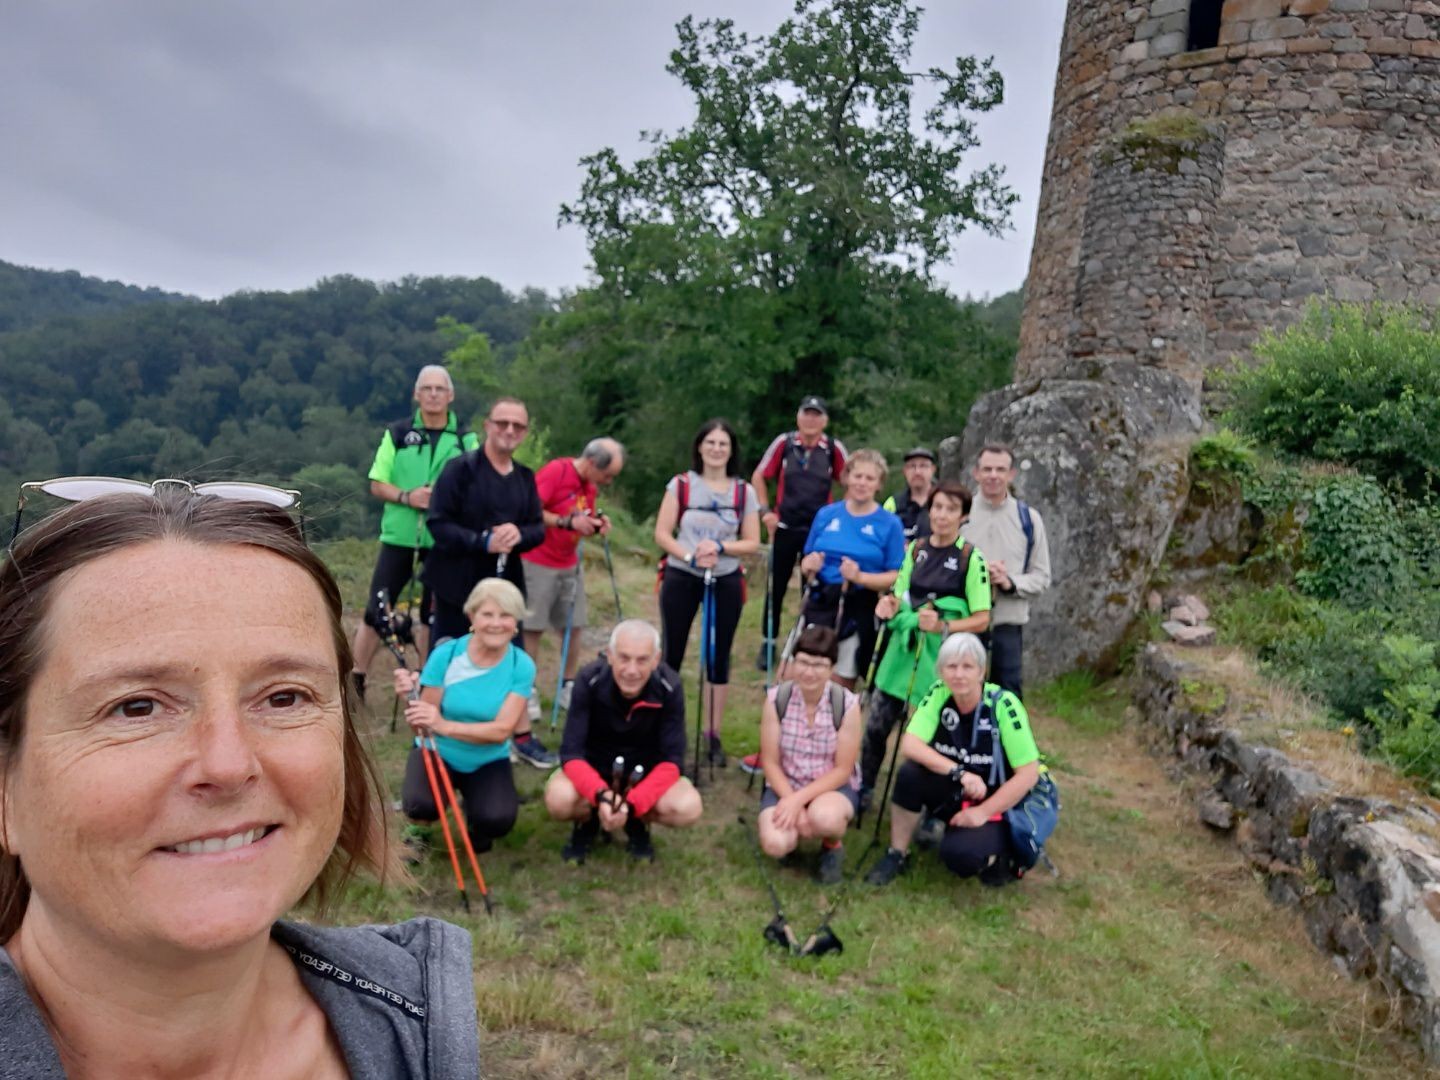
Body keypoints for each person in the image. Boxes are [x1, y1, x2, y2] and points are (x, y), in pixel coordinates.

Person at [0, 483, 477, 1077]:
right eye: (137, 707)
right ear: (6, 785)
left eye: (283, 697)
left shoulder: (418, 1032)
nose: (228, 765)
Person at [425, 395, 556, 767]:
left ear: (525, 432)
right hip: (457, 584)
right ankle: (438, 737)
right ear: (487, 425)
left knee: (509, 660)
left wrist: (518, 534)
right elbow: (438, 523)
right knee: (450, 657)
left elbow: (536, 530)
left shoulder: (525, 477)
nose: (509, 431)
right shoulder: (459, 470)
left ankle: (518, 734)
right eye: (503, 423)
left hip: (506, 588)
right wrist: (481, 540)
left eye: (518, 426)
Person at [865, 633, 1039, 888]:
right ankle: (897, 853)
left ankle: (999, 857)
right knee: (909, 774)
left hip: (995, 800)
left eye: (968, 667)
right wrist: (959, 772)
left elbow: (1028, 774)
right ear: (941, 671)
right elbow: (911, 744)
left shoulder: (1004, 705)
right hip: (957, 786)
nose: (959, 675)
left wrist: (982, 812)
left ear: (982, 671)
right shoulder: (939, 694)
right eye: (952, 666)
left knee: (959, 856)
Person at [860, 480, 991, 810]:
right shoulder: (916, 550)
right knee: (876, 726)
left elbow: (982, 618)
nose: (942, 515)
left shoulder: (970, 558)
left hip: (940, 660)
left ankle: (930, 804)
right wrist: (888, 606)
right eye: (937, 507)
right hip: (902, 652)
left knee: (931, 737)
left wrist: (943, 626)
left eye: (951, 509)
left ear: (963, 516)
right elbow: (898, 595)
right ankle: (864, 789)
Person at [350, 364, 479, 699]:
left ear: (450, 396)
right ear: (416, 394)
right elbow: (377, 482)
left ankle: (427, 681)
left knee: (430, 613)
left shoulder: (465, 438)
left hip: (444, 539)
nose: (434, 394)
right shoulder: (397, 433)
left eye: (440, 389)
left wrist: (444, 499)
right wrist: (408, 497)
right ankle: (355, 677)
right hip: (400, 536)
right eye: (427, 388)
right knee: (376, 607)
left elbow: (477, 485)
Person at [395, 577, 533, 861]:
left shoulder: (521, 665)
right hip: (438, 751)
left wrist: (443, 725)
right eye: (488, 614)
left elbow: (501, 731)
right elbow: (422, 728)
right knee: (420, 805)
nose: (496, 623)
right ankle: (418, 830)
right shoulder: (446, 656)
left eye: (505, 615)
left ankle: (475, 813)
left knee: (496, 820)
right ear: (472, 617)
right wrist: (411, 701)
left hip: (487, 757)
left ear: (516, 621)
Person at [544, 620, 703, 864]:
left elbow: (673, 761)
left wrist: (631, 805)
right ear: (610, 655)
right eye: (624, 658)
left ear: (656, 659)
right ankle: (589, 821)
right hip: (594, 769)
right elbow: (571, 754)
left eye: (642, 660)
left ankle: (635, 822)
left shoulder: (670, 686)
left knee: (688, 806)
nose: (631, 670)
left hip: (644, 776)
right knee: (558, 799)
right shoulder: (588, 679)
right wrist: (602, 796)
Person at [653, 418, 761, 767]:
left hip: (726, 576)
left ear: (731, 451)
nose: (716, 449)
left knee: (719, 655)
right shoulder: (681, 486)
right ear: (700, 447)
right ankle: (663, 728)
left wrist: (721, 547)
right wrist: (688, 555)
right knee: (673, 649)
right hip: (682, 574)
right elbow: (662, 533)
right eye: (710, 443)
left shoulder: (744, 492)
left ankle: (712, 733)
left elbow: (752, 541)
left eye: (723, 444)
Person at [521, 437, 624, 721]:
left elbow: (582, 516)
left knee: (574, 626)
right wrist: (565, 522)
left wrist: (596, 524)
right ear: (592, 463)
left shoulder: (589, 485)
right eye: (607, 475)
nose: (608, 482)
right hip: (538, 560)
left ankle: (568, 686)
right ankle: (526, 690)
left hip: (569, 562)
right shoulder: (556, 471)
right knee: (533, 627)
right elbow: (530, 510)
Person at [756, 627, 863, 885]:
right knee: (774, 843)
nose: (809, 671)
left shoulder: (846, 704)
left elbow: (843, 769)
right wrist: (790, 799)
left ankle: (831, 845)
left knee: (825, 818)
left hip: (831, 787)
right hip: (786, 782)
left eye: (819, 665)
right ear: (792, 663)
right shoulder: (776, 699)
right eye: (802, 662)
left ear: (831, 668)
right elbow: (769, 762)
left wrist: (798, 802)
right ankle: (790, 844)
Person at [751, 397, 849, 670]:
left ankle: (808, 642)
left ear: (825, 421)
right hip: (784, 527)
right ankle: (768, 644)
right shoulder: (784, 444)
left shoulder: (832, 448)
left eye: (817, 415)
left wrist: (842, 518)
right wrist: (765, 511)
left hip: (819, 533)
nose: (811, 420)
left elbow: (851, 480)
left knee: (814, 589)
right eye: (807, 414)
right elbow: (759, 475)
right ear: (798, 417)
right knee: (776, 588)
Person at [795, 448, 904, 690]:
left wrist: (860, 577)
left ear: (879, 485)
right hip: (821, 600)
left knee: (841, 677)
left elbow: (895, 575)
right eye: (857, 476)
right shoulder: (826, 514)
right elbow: (806, 558)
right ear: (846, 478)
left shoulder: (889, 524)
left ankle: (838, 723)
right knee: (807, 667)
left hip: (858, 603)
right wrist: (808, 565)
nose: (862, 483)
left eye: (869, 478)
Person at [962, 443, 1053, 699]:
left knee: (1007, 695)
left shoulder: (1029, 519)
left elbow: (1042, 577)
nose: (993, 475)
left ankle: (1005, 741)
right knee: (962, 693)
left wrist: (1008, 581)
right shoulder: (959, 513)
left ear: (1011, 474)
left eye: (1000, 469)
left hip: (1007, 623)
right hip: (964, 620)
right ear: (976, 473)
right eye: (987, 469)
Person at [881, 446, 937, 543]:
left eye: (923, 466)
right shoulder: (893, 503)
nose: (917, 472)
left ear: (933, 469)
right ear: (904, 471)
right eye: (912, 466)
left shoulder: (945, 500)